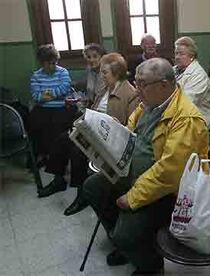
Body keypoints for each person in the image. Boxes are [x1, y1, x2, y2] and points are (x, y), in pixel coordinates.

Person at [82, 58, 209, 274]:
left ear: (164, 84)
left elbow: (169, 174)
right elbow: (130, 132)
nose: (137, 90)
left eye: (142, 84)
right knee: (91, 187)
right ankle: (125, 243)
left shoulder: (186, 118)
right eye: (136, 82)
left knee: (126, 234)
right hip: (133, 172)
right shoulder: (149, 104)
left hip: (167, 192)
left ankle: (150, 264)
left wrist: (131, 198)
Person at [39, 53, 139, 216]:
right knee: (62, 139)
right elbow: (93, 110)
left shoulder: (130, 94)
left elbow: (129, 128)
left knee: (78, 150)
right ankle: (58, 180)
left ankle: (82, 194)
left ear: (117, 72)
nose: (101, 75)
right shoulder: (105, 89)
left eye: (105, 72)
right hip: (94, 129)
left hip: (109, 137)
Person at [28, 44, 77, 164]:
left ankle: (56, 159)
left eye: (54, 63)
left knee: (57, 127)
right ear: (41, 63)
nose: (52, 66)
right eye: (48, 63)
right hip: (42, 108)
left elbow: (65, 88)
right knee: (34, 125)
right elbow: (36, 96)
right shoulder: (36, 76)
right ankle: (41, 155)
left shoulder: (63, 72)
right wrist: (56, 93)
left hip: (61, 106)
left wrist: (46, 94)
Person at [174, 36, 210, 128]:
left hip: (194, 120)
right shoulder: (175, 70)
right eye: (176, 53)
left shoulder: (199, 75)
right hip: (179, 116)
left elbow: (186, 103)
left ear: (192, 56)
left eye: (181, 54)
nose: (177, 57)